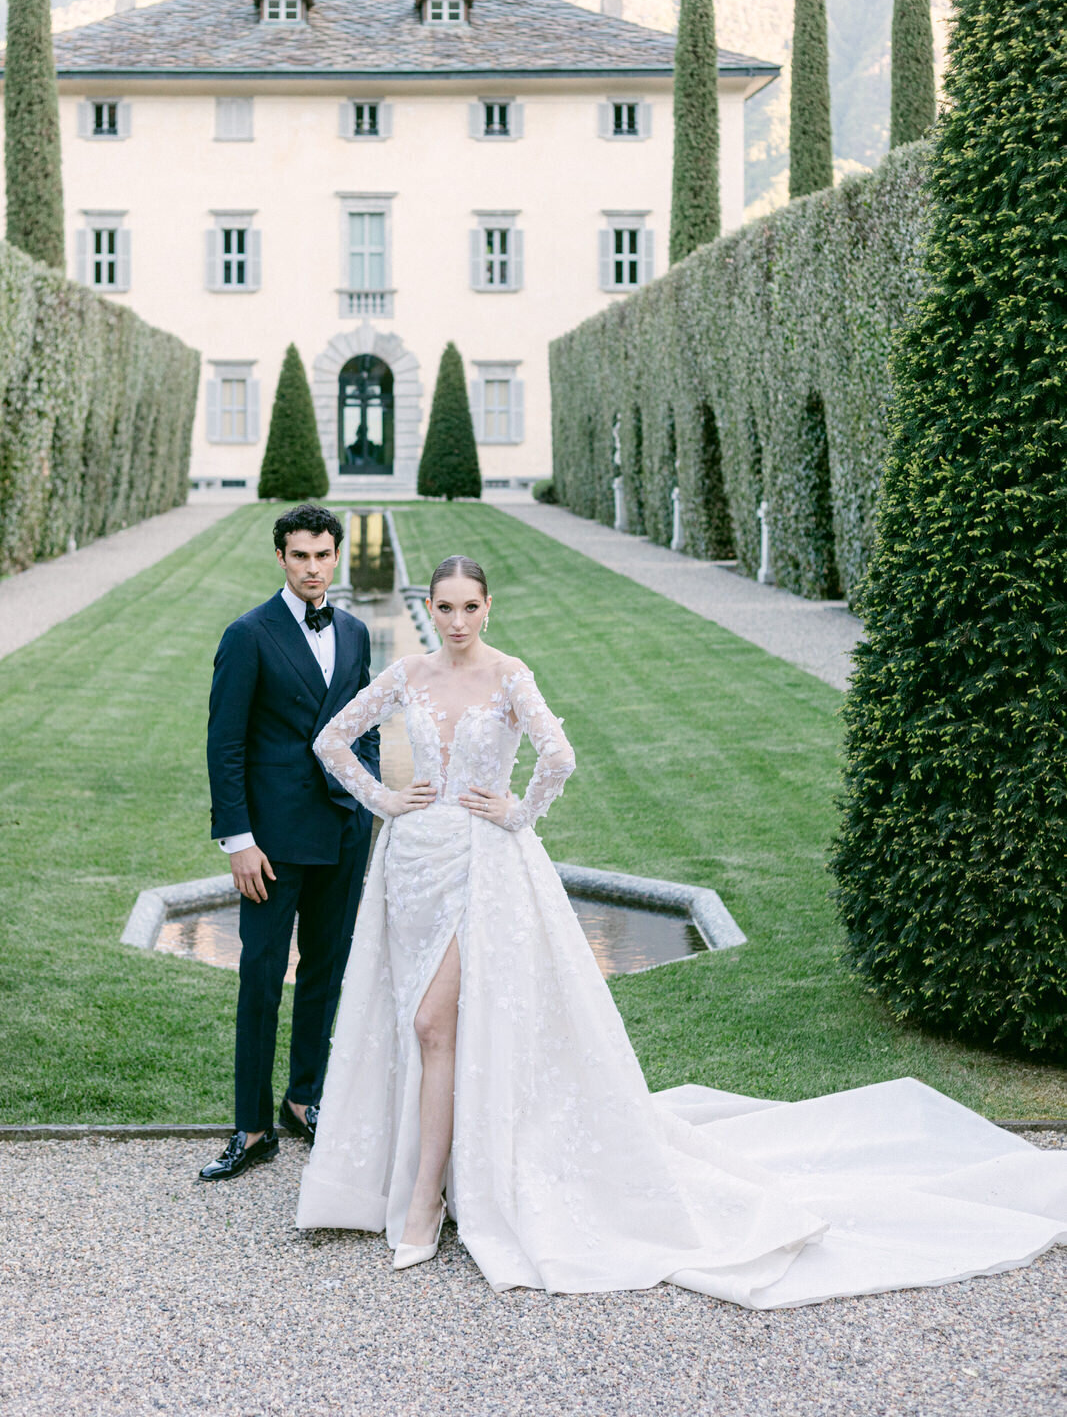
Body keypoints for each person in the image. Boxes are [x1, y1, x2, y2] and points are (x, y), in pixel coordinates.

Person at [295, 555, 1067, 1303]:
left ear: (487, 607)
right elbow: (332, 739)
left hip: (484, 870)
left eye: (469, 606)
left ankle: (426, 1201)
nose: (457, 619)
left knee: (436, 1022)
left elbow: (558, 756)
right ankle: (454, 1175)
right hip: (415, 864)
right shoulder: (409, 676)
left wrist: (515, 812)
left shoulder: (508, 674)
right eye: (444, 607)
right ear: (428, 609)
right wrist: (386, 799)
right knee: (425, 1026)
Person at [199, 504, 379, 1182]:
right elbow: (225, 745)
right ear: (281, 557)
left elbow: (365, 724)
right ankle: (250, 1129)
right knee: (260, 980)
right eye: (299, 556)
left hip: (342, 833)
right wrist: (238, 840)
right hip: (270, 843)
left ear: (337, 557)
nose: (312, 567)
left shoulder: (357, 632)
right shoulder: (247, 635)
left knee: (327, 974)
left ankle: (304, 1100)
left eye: (322, 555)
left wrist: (365, 803)